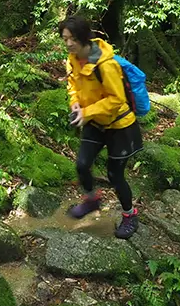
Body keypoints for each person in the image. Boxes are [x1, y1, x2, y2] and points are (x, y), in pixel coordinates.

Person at [61, 15, 143, 239]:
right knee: (82, 164)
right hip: (94, 122)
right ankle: (92, 200)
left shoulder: (105, 65)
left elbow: (116, 100)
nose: (68, 44)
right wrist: (74, 103)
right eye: (65, 39)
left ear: (84, 38)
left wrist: (86, 113)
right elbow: (72, 85)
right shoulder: (72, 59)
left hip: (119, 125)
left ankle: (129, 215)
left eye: (72, 39)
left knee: (115, 175)